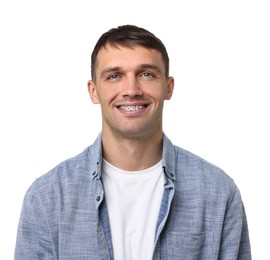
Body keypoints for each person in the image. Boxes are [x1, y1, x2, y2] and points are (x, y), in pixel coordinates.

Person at [15, 25, 251, 259]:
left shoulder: (218, 193)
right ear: (93, 91)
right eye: (114, 76)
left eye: (146, 74)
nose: (131, 90)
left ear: (168, 88)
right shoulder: (47, 198)